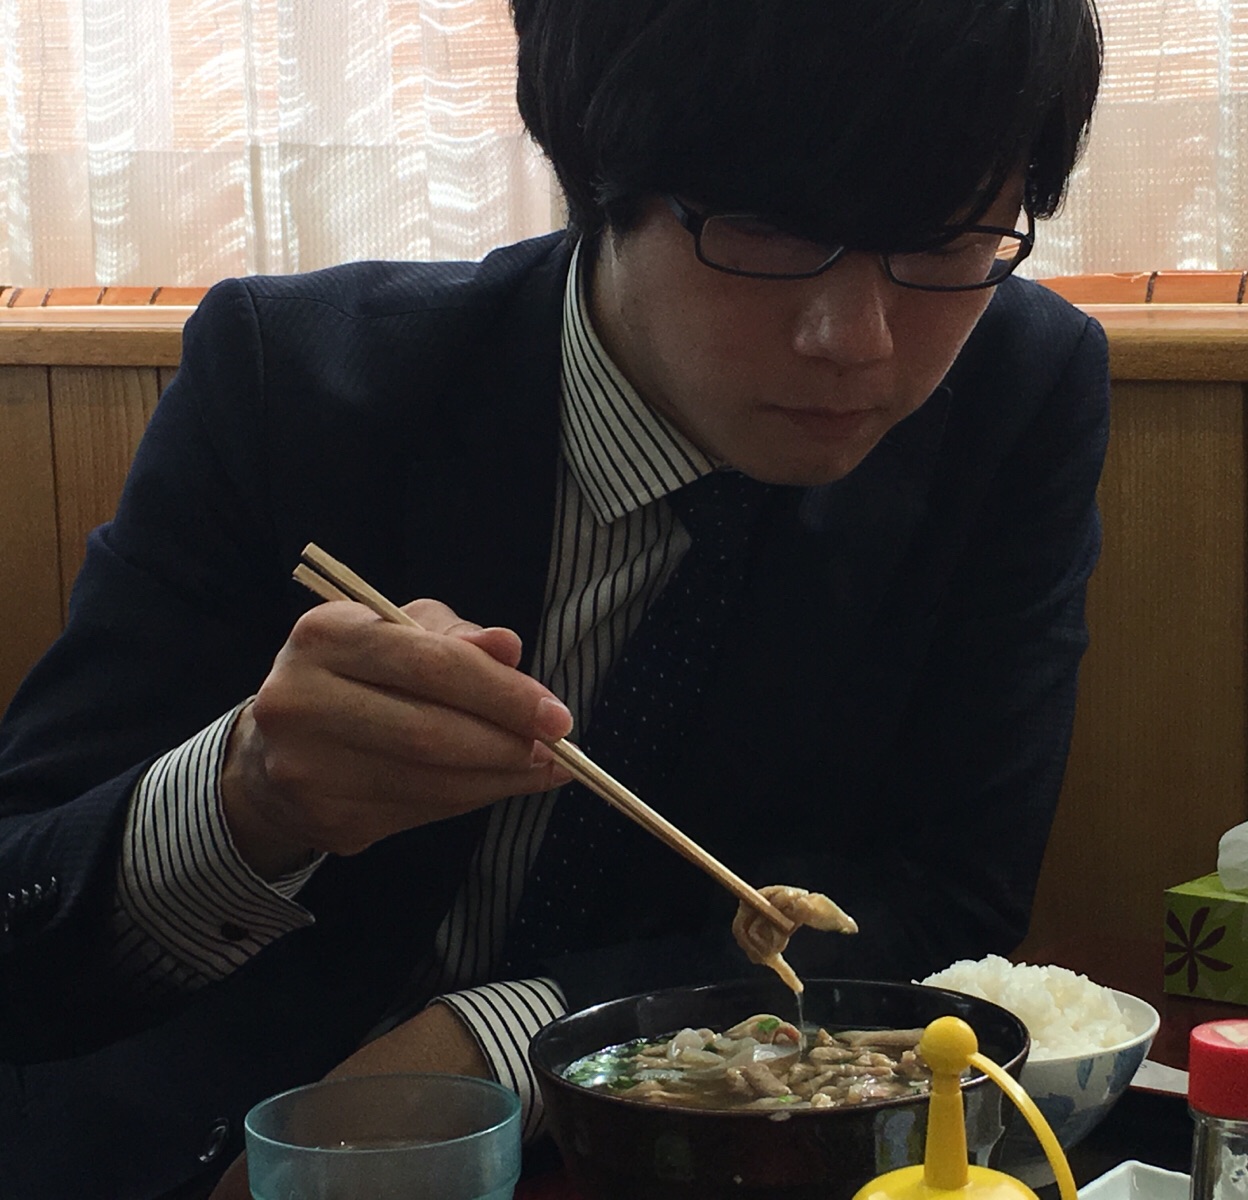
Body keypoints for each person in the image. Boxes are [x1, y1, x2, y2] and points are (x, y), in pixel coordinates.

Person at [0, 0, 1109, 1195]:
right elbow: (24, 908)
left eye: (943, 241)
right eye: (767, 230)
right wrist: (250, 799)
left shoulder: (1016, 391)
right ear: (599, 168)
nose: (856, 338)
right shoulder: (296, 384)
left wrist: (502, 1041)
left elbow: (946, 899)